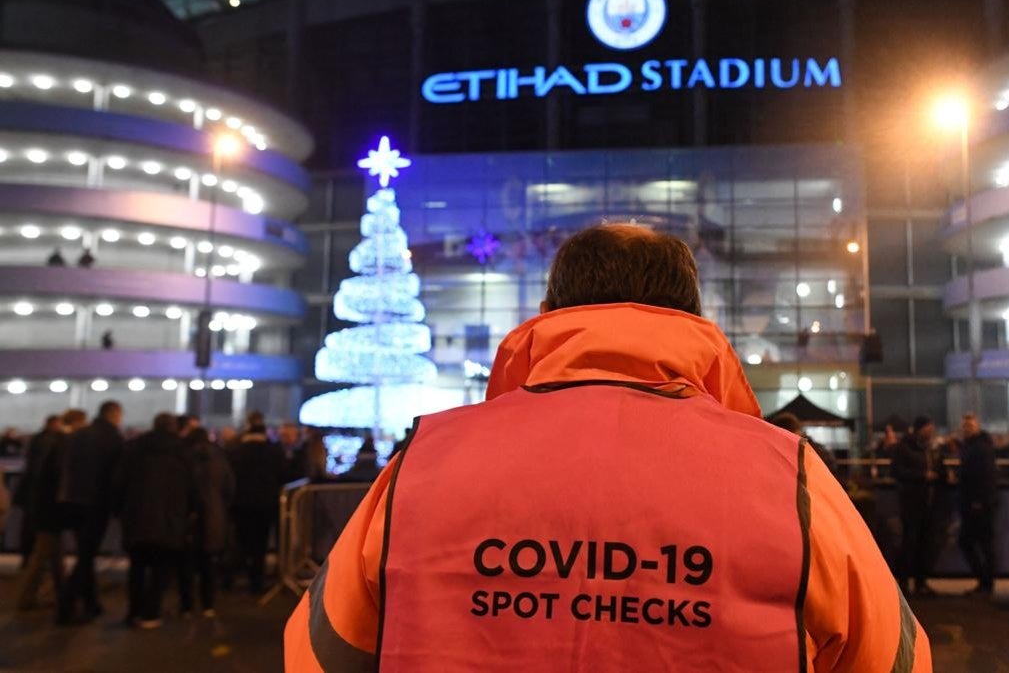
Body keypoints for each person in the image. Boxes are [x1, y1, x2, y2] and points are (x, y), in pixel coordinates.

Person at [286, 224, 931, 671]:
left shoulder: (424, 463)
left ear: (545, 311)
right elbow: (895, 658)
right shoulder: (788, 477)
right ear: (696, 321)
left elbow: (318, 650)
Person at [114, 413, 194, 628]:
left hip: (136, 516)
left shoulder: (134, 448)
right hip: (170, 518)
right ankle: (151, 612)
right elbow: (192, 487)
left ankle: (134, 612)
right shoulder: (183, 450)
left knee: (137, 567)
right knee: (161, 569)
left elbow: (119, 482)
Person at [57, 400, 125, 625]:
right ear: (114, 415)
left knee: (85, 552)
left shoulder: (79, 435)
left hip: (73, 501)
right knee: (87, 555)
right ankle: (66, 606)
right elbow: (116, 476)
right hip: (97, 502)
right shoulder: (113, 438)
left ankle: (92, 603)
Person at [14, 411, 85, 610]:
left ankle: (60, 595)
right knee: (43, 554)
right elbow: (57, 478)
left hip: (44, 507)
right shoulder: (60, 443)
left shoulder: (48, 440)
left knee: (53, 554)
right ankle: (26, 598)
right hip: (51, 509)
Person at [179, 427, 234, 618]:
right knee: (209, 563)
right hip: (214, 517)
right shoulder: (219, 460)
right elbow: (229, 489)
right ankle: (208, 605)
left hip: (188, 519)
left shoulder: (183, 460)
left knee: (186, 564)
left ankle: (187, 606)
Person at [230, 411, 285, 595]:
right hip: (266, 504)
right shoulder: (273, 451)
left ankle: (242, 575)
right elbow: (282, 475)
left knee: (243, 541)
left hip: (241, 504)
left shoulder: (237, 451)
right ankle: (256, 581)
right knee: (260, 545)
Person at [890, 416, 941, 598]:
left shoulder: (931, 449)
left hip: (928, 502)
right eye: (928, 427)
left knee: (924, 543)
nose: (931, 431)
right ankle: (904, 581)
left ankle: (920, 581)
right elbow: (896, 470)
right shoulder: (905, 447)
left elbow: (938, 468)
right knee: (909, 542)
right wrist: (921, 475)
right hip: (911, 502)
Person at [957, 413, 997, 597]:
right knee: (983, 543)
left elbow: (983, 477)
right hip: (979, 502)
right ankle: (986, 582)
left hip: (978, 503)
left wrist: (978, 501)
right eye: (965, 426)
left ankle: (985, 582)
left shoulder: (978, 448)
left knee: (969, 542)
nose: (966, 429)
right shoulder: (977, 446)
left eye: (970, 426)